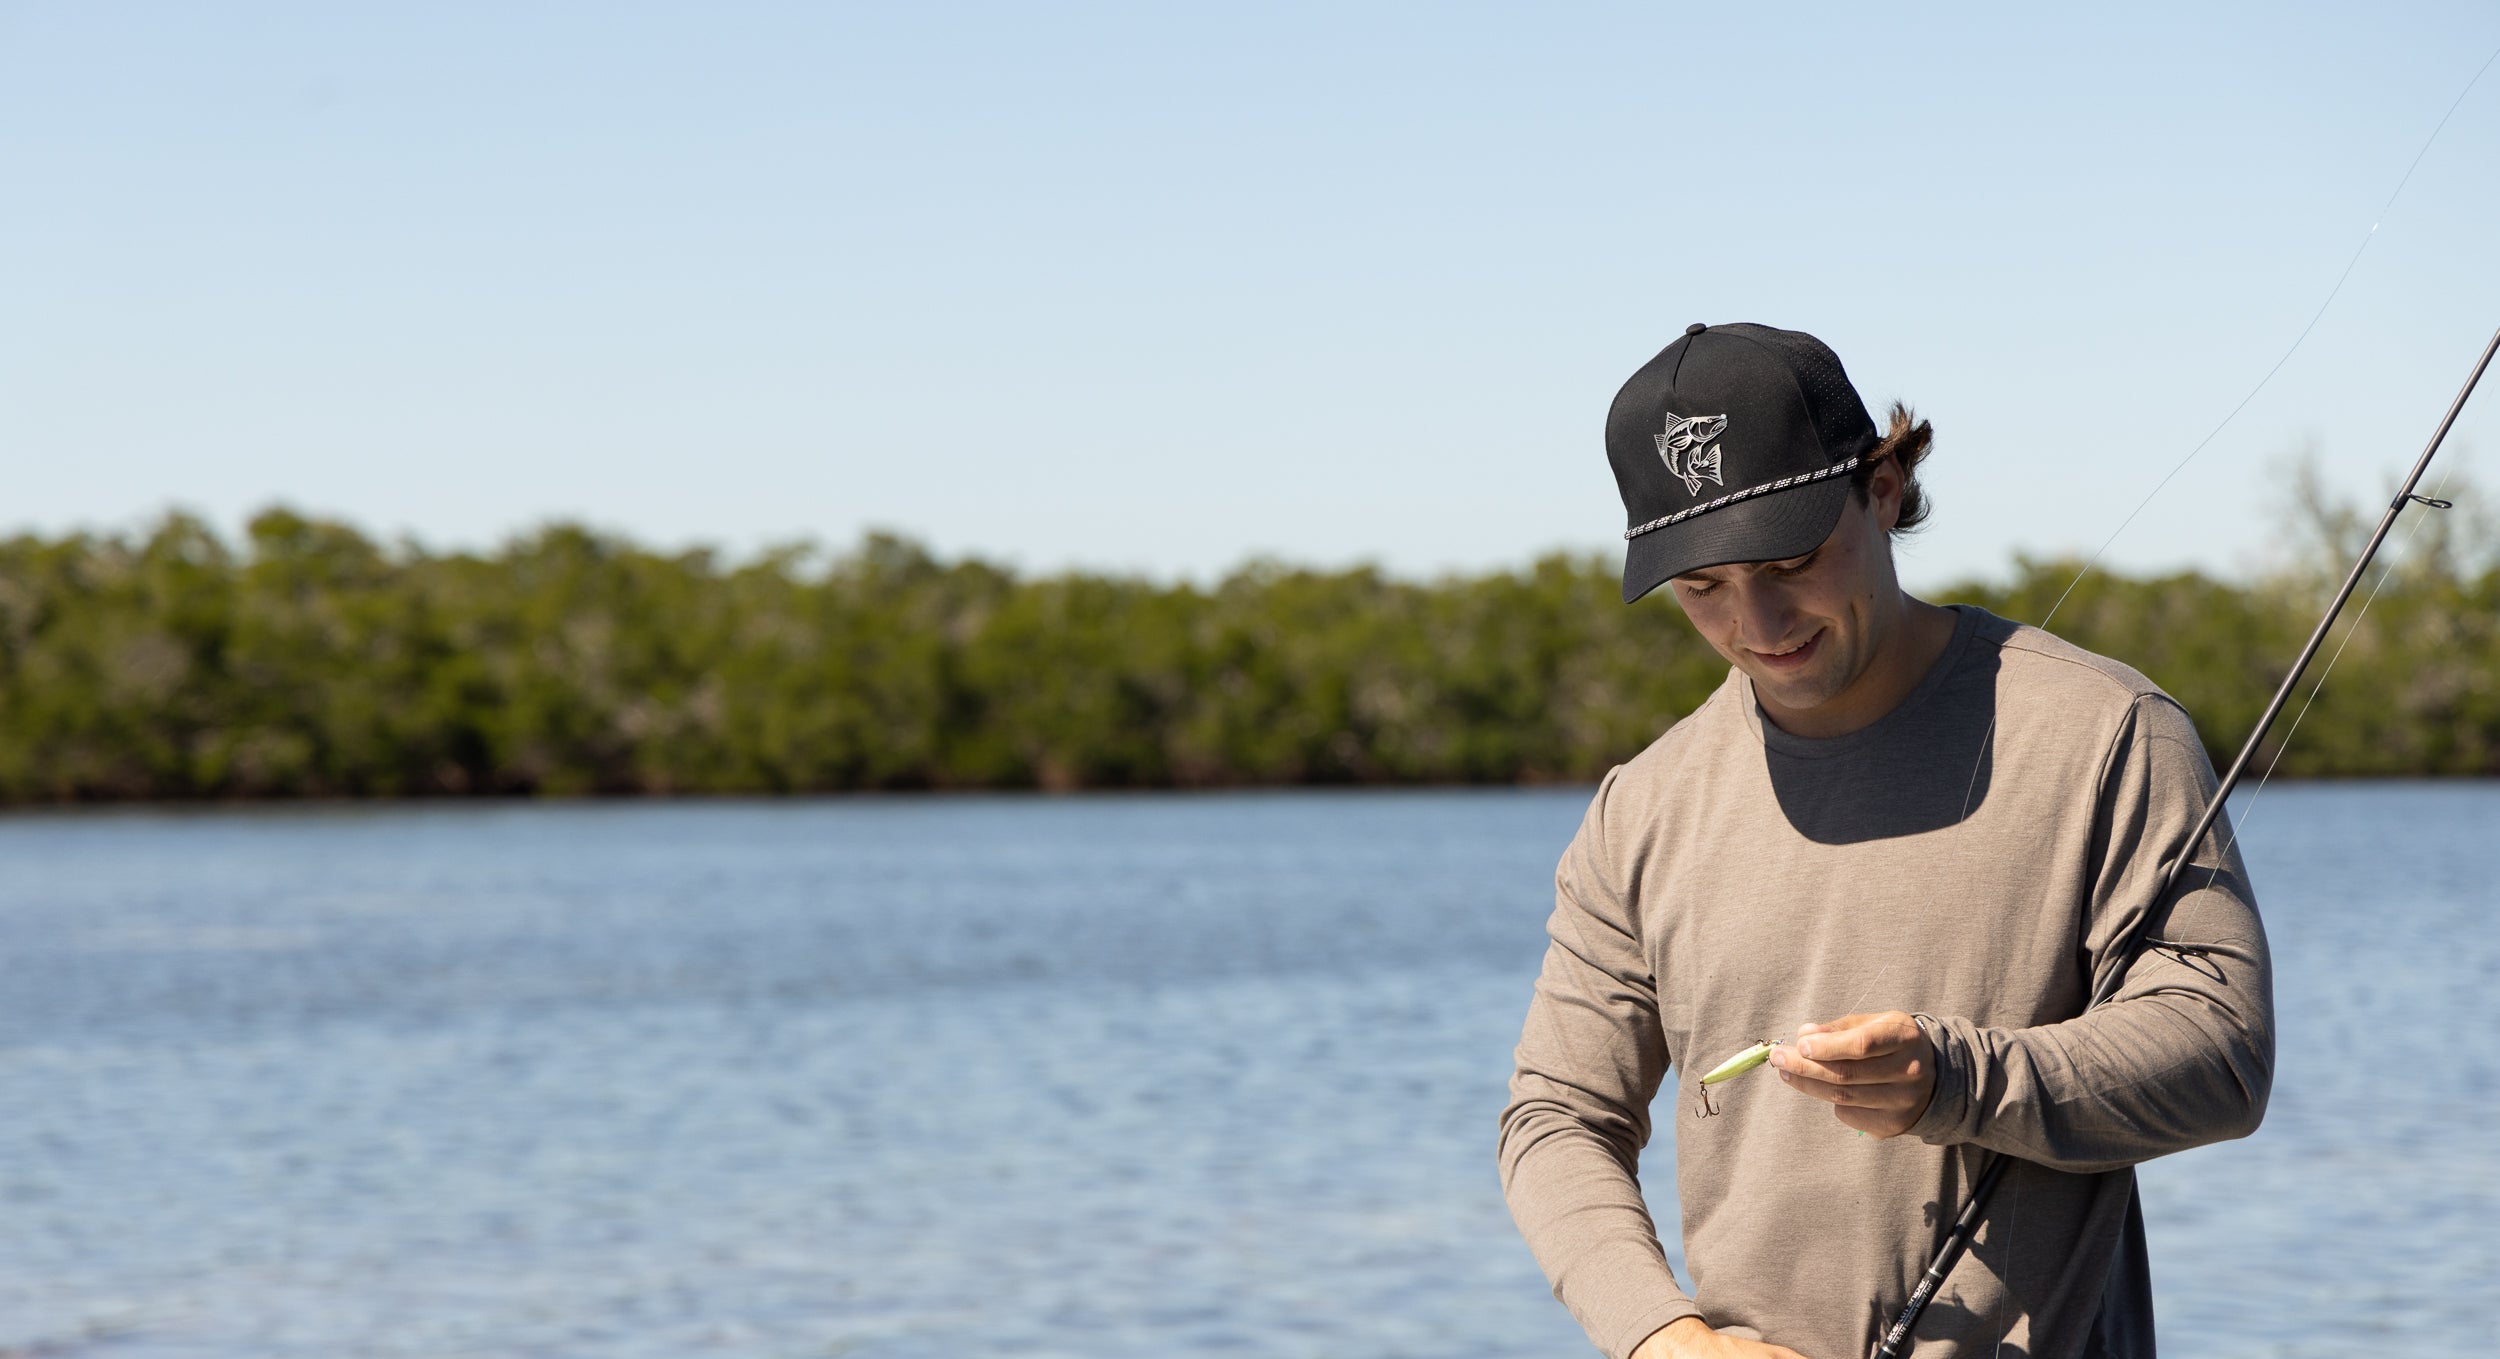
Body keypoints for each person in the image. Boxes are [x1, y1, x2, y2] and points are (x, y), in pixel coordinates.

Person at [1496, 323, 2275, 1359]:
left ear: (1883, 489)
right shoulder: (1640, 810)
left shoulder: (2105, 732)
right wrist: (1664, 1339)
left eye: (1791, 559)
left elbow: (2220, 1053)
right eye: (1702, 588)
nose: (1757, 621)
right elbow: (1557, 1120)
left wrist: (1953, 1079)